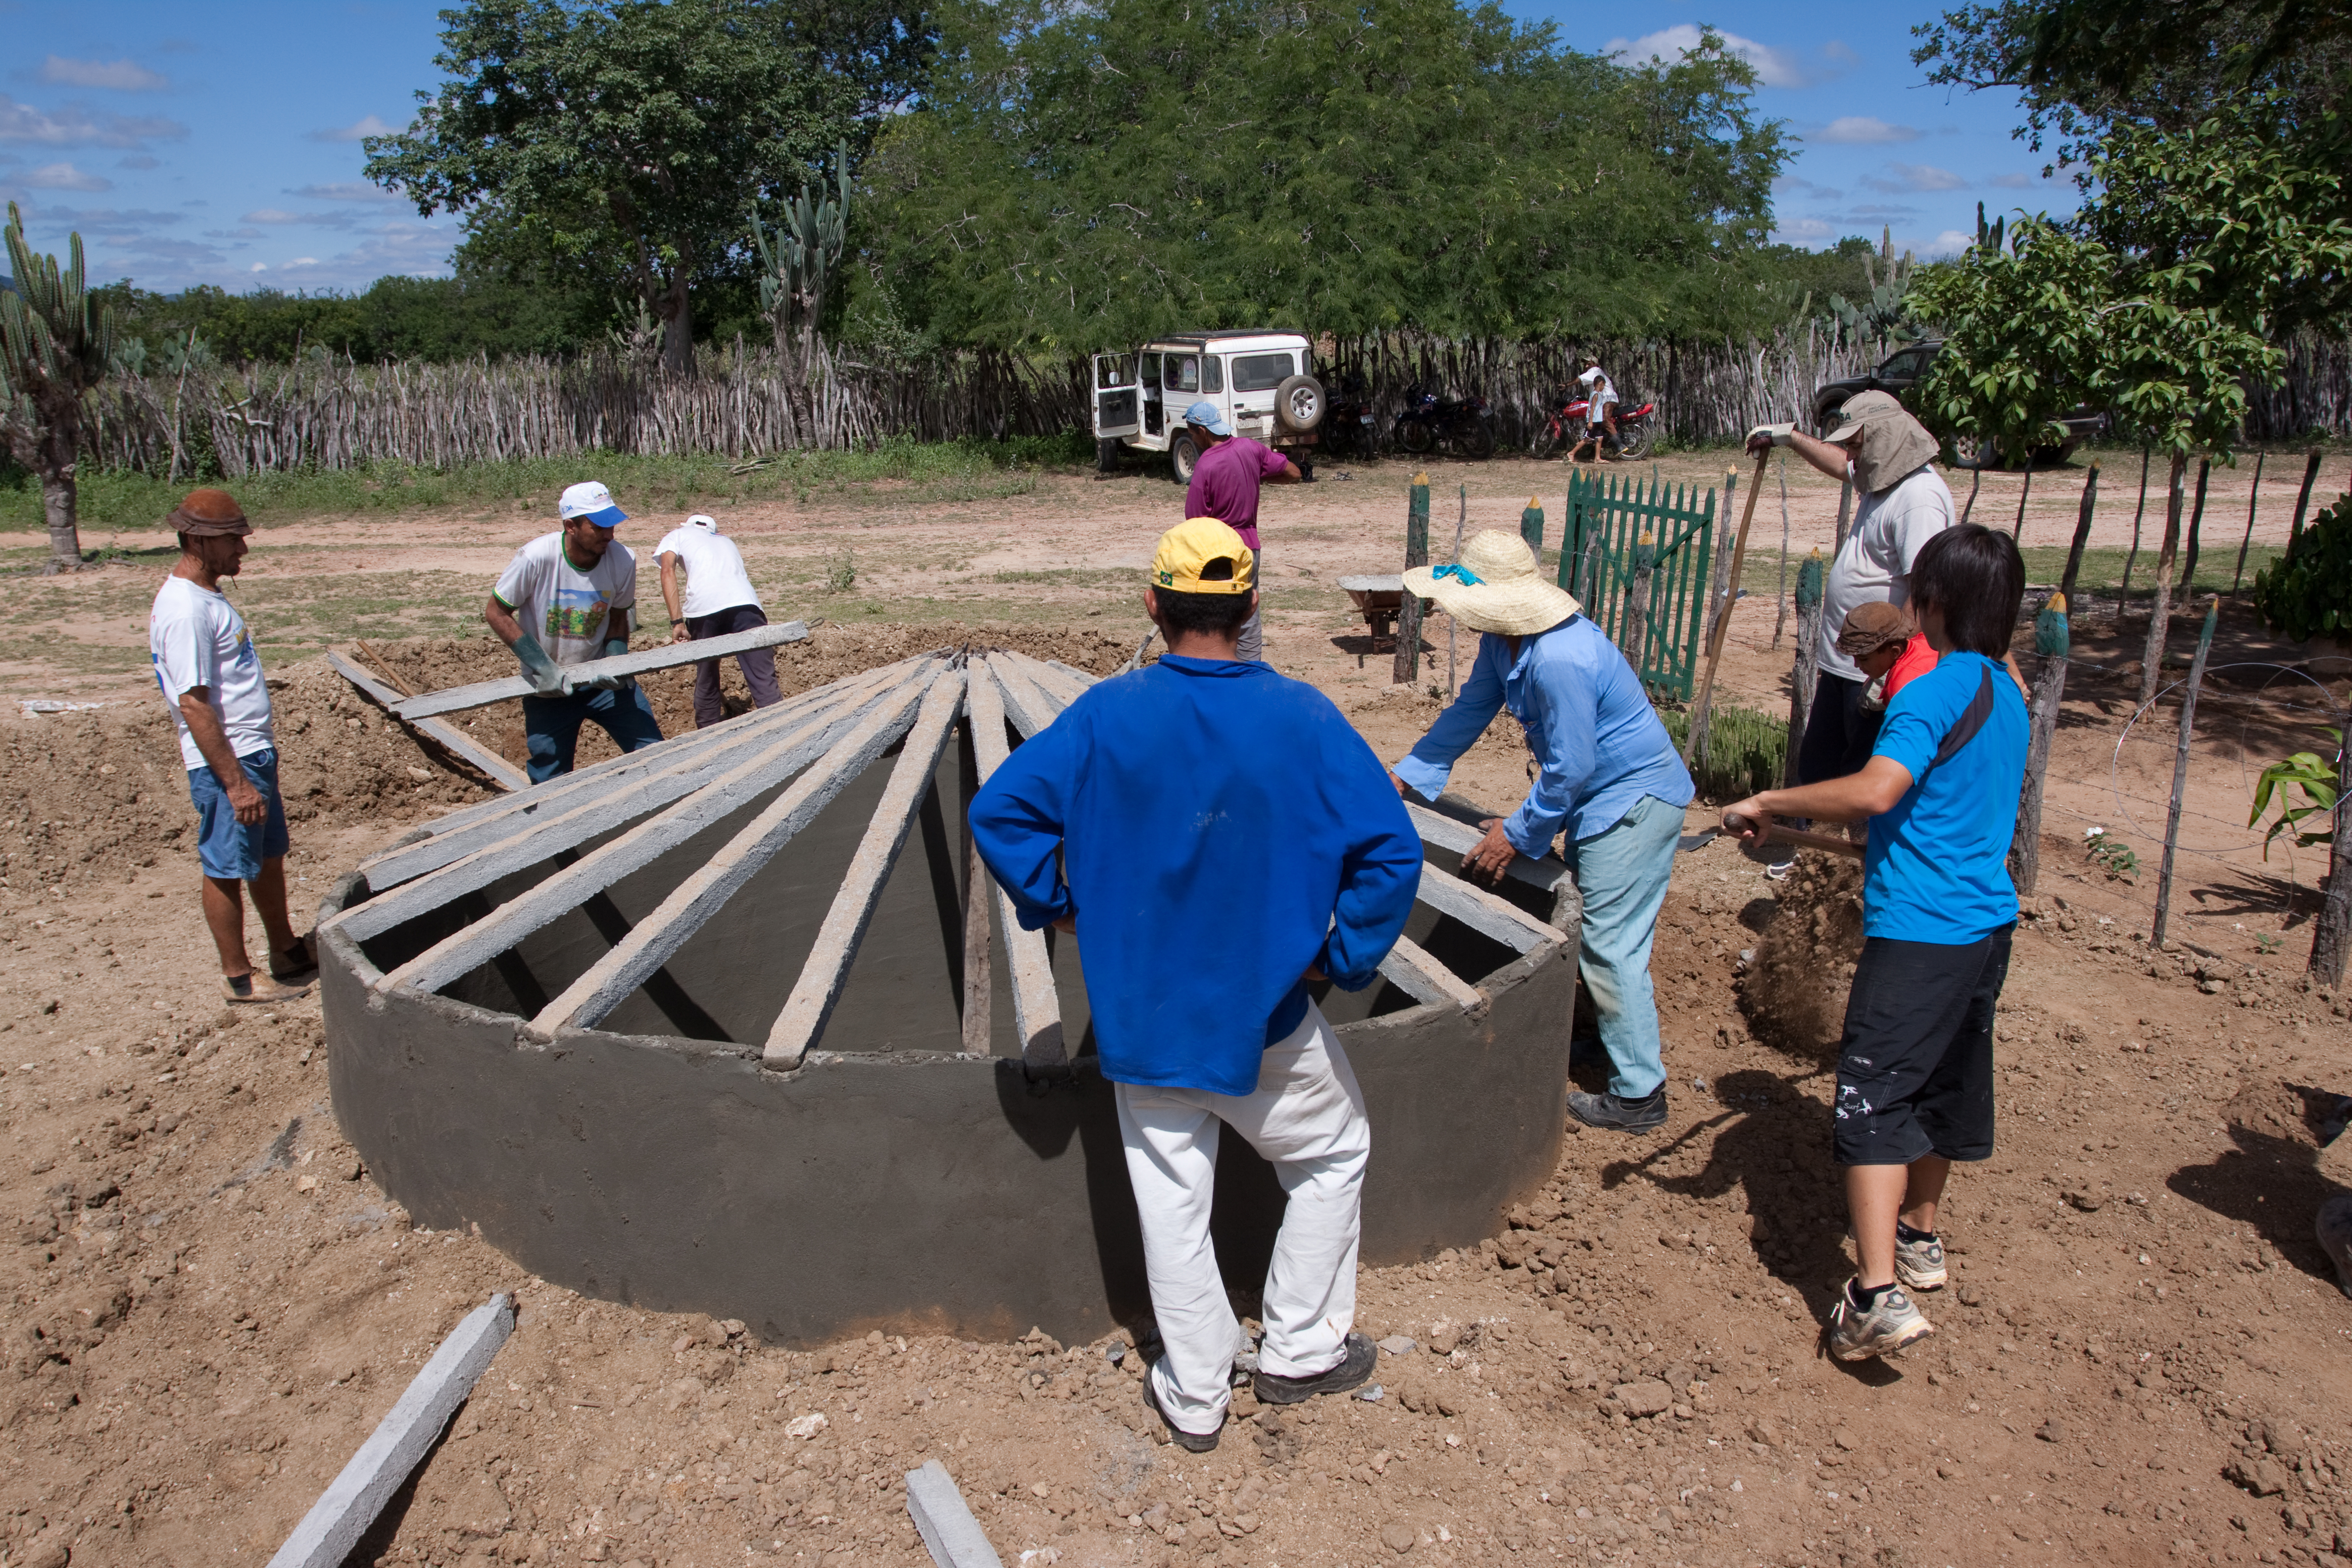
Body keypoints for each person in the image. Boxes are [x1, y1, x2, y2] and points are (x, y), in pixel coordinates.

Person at [970, 518, 1422, 1452]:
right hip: (1264, 1019)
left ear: (1152, 605)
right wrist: (1338, 954)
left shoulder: (1105, 715)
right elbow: (1392, 851)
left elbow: (999, 807)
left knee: (1172, 1200)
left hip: (1141, 1021)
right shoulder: (1302, 717)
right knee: (1332, 1152)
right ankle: (1299, 1348)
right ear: (1251, 606)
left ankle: (1194, 1394)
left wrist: (1059, 902)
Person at [1719, 523, 2028, 1360]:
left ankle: (1874, 1295)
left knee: (1872, 1100)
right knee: (1942, 1084)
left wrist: (1773, 801)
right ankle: (1921, 1236)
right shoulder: (2007, 689)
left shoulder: (1929, 689)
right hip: (1984, 925)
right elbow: (1930, 808)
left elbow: (1877, 787)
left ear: (1932, 602)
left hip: (1921, 931)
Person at [1391, 530, 1695, 1134]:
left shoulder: (1560, 659)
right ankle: (1604, 1041)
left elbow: (1571, 765)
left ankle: (1640, 1095)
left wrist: (1518, 833)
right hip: (1597, 801)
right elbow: (1469, 710)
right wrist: (1407, 778)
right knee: (1597, 931)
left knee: (1612, 944)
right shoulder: (1505, 647)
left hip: (1631, 801)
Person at [147, 488, 318, 1005]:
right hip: (229, 763)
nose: (242, 550)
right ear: (197, 540)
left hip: (250, 753)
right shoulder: (184, 610)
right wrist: (236, 784)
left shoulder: (207, 597)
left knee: (266, 857)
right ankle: (239, 977)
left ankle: (285, 949)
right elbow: (195, 705)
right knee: (225, 867)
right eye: (232, 540)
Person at [1749, 391, 1955, 784]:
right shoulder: (1883, 476)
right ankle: (1813, 845)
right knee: (1821, 769)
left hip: (1879, 671)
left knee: (1858, 778)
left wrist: (1890, 673)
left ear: (1886, 437)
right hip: (1850, 664)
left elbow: (1927, 589)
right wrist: (1789, 437)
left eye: (1857, 445)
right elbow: (1842, 466)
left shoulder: (1919, 498)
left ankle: (1848, 848)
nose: (1851, 455)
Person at [486, 481, 665, 783]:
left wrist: (616, 663)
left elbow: (619, 615)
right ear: (571, 526)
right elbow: (496, 611)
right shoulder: (537, 557)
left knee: (654, 755)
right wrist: (541, 666)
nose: (609, 535)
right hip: (550, 686)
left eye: (612, 526)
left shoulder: (623, 560)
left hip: (602, 682)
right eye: (598, 527)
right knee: (549, 777)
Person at [1182, 398, 1302, 663]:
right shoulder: (1251, 449)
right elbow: (1293, 473)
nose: (1193, 439)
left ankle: (1219, 668)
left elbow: (1194, 522)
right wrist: (1256, 476)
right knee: (1248, 610)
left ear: (1202, 431)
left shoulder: (1206, 465)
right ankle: (1249, 671)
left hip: (1220, 553)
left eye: (1192, 433)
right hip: (1250, 548)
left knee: (1217, 614)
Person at [656, 513, 783, 728]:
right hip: (747, 605)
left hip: (704, 609)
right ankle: (783, 730)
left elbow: (668, 570)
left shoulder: (678, 534)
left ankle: (708, 735)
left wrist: (677, 622)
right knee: (763, 679)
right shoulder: (726, 540)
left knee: (707, 675)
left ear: (688, 526)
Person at [1837, 601, 1937, 714]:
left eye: (1864, 659)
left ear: (1895, 652)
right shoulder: (1925, 641)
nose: (1856, 665)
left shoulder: (1901, 689)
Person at [1567, 356, 1620, 462]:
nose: (1587, 366)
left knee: (1599, 438)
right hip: (1594, 420)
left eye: (1589, 363)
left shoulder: (1595, 371)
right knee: (1588, 439)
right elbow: (1592, 409)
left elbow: (1581, 379)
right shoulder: (1596, 394)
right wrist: (1590, 421)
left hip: (1597, 420)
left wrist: (1566, 385)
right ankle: (1571, 453)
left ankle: (1598, 457)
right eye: (1586, 364)